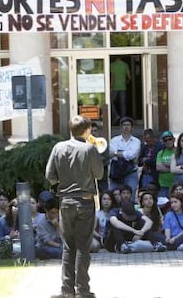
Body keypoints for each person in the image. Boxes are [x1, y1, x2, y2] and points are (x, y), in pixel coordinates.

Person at [46, 115, 104, 298]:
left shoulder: (58, 147)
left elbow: (49, 174)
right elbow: (99, 174)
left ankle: (67, 290)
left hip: (65, 202)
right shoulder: (89, 149)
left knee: (68, 247)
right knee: (82, 247)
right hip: (85, 201)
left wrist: (62, 183)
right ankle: (82, 290)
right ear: (87, 131)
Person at [109, 116, 141, 202]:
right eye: (124, 125)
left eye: (128, 125)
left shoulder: (136, 141)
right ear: (120, 127)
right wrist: (125, 154)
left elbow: (131, 155)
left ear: (132, 127)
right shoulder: (114, 140)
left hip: (131, 172)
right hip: (116, 172)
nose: (126, 127)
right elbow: (112, 154)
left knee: (130, 197)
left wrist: (117, 153)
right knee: (113, 197)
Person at [110, 56, 131, 121]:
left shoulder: (112, 64)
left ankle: (116, 115)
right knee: (123, 103)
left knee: (110, 102)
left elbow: (112, 76)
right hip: (123, 87)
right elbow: (129, 77)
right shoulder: (125, 65)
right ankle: (123, 119)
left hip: (114, 87)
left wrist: (111, 86)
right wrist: (126, 82)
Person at [156, 131, 176, 198]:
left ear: (174, 139)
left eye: (170, 139)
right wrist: (173, 168)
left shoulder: (178, 151)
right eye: (165, 140)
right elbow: (159, 167)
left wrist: (165, 164)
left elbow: (180, 164)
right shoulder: (160, 153)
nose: (168, 141)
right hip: (163, 186)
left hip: (176, 186)